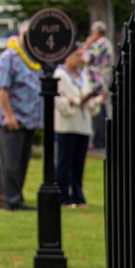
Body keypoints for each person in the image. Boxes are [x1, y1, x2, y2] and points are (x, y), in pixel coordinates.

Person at [0, 21, 43, 211]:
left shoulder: (34, 58)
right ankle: (11, 201)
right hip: (11, 119)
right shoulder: (9, 56)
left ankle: (17, 198)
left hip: (29, 120)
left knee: (22, 163)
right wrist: (9, 115)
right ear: (22, 34)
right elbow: (1, 88)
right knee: (11, 164)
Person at [54, 45, 104, 207]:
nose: (80, 59)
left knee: (78, 163)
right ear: (67, 56)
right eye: (77, 55)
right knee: (64, 162)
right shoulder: (60, 75)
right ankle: (62, 196)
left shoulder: (81, 75)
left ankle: (78, 195)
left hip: (82, 125)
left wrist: (97, 99)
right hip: (66, 126)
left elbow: (88, 103)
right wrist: (77, 101)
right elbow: (59, 101)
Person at [83, 21, 115, 149]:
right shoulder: (108, 43)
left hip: (96, 81)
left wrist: (86, 44)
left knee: (97, 110)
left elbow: (85, 58)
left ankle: (99, 140)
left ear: (96, 32)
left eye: (92, 32)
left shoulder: (99, 44)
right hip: (104, 80)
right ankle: (102, 138)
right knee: (101, 110)